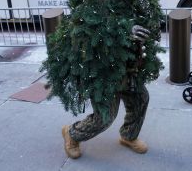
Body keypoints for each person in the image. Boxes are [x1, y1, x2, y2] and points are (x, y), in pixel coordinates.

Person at [61, 25, 152, 159]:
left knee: (141, 98)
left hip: (128, 69)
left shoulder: (129, 5)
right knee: (105, 117)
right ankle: (72, 134)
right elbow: (93, 31)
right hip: (103, 72)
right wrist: (124, 35)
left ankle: (129, 135)